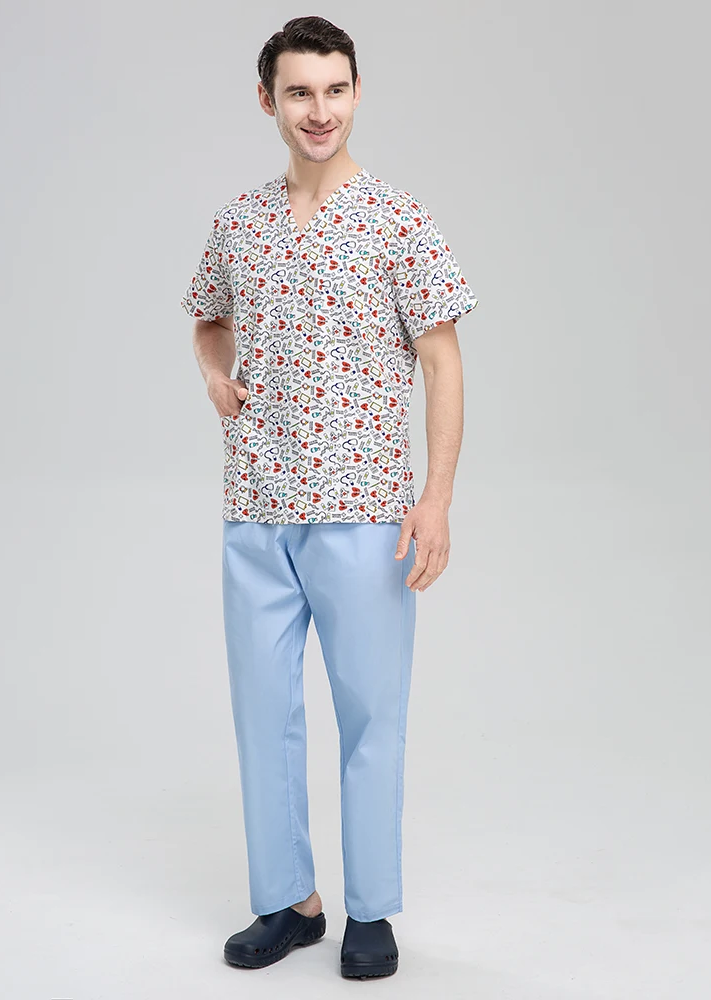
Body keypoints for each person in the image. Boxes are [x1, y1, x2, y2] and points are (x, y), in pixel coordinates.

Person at [179, 15, 478, 980]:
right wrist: (216, 374)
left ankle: (370, 910)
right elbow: (207, 318)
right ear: (268, 100)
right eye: (300, 92)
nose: (320, 110)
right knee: (262, 714)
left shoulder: (397, 220)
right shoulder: (240, 222)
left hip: (363, 512)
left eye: (336, 89)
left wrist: (434, 499)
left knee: (370, 717)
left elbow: (442, 362)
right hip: (257, 509)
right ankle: (289, 901)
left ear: (357, 93)